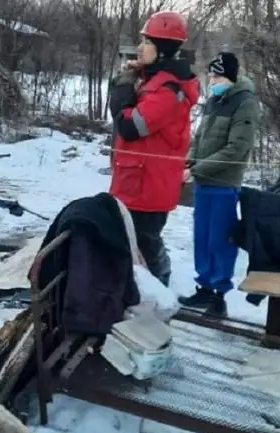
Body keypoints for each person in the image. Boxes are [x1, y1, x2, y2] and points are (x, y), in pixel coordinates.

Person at [107, 11, 200, 287]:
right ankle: (139, 288)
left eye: (146, 42)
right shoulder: (155, 81)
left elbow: (131, 127)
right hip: (137, 180)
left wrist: (122, 94)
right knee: (133, 240)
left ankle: (158, 288)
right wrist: (128, 79)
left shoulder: (167, 91)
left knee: (145, 242)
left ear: (162, 49)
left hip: (147, 185)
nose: (140, 47)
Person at [179, 52, 258, 316]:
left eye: (218, 76)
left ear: (231, 77)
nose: (212, 80)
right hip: (203, 182)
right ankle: (204, 287)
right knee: (202, 237)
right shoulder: (214, 99)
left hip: (224, 184)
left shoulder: (244, 103)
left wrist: (198, 169)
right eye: (211, 75)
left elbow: (236, 148)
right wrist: (190, 161)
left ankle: (219, 295)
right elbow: (201, 136)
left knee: (220, 240)